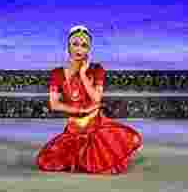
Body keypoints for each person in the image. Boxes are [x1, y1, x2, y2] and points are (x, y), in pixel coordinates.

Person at [36, 26, 142, 174]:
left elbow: (96, 98)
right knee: (46, 161)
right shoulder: (57, 74)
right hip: (73, 128)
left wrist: (83, 74)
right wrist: (80, 110)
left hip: (95, 126)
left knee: (106, 157)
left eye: (84, 45)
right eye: (75, 44)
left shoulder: (97, 70)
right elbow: (54, 104)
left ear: (89, 50)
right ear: (68, 46)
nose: (79, 49)